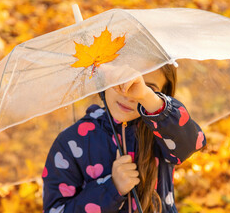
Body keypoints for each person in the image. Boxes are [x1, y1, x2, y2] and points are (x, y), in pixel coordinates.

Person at [42, 64, 206, 213]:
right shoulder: (71, 143)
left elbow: (192, 142)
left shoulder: (162, 131)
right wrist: (112, 188)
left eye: (147, 88)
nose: (130, 95)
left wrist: (148, 98)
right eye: (122, 80)